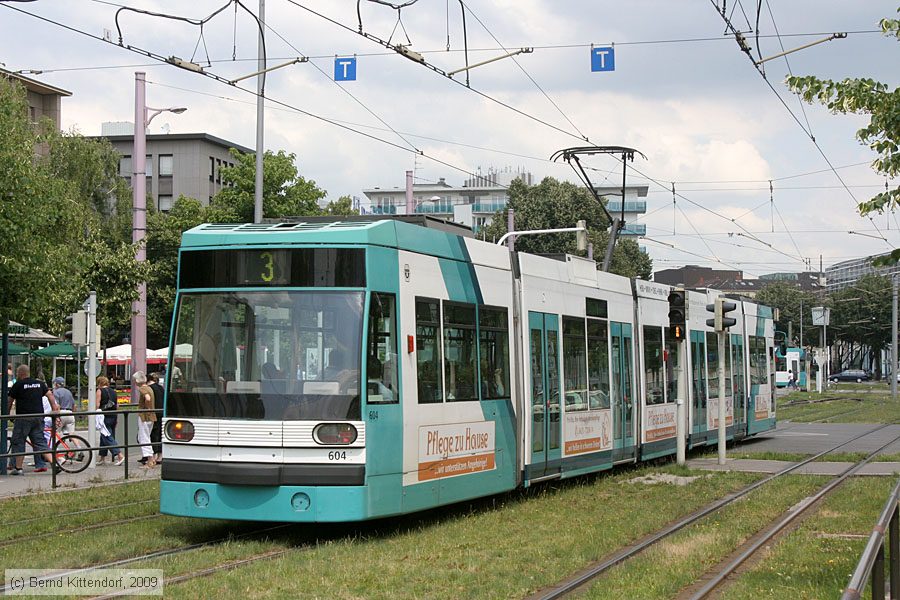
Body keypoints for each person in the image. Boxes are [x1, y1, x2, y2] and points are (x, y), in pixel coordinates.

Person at [7, 364, 59, 475]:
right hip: (38, 417)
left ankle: (19, 468)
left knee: (19, 441)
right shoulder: (39, 384)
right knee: (40, 442)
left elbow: (9, 401)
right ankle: (54, 463)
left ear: (20, 374)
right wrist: (54, 409)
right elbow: (50, 395)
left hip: (24, 418)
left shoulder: (18, 384)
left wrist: (6, 415)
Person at [132, 371, 157, 468]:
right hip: (151, 416)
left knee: (143, 437)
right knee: (146, 437)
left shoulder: (142, 389)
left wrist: (147, 408)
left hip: (144, 416)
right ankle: (151, 459)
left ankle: (150, 461)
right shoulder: (149, 388)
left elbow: (147, 398)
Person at [95, 376, 118, 465]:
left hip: (104, 416)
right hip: (113, 415)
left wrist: (95, 413)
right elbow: (117, 406)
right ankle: (102, 457)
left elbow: (97, 404)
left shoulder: (100, 391)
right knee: (103, 436)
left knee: (107, 436)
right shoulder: (114, 392)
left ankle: (118, 454)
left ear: (99, 383)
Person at [148, 372, 164, 464]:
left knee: (153, 434)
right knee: (159, 434)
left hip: (154, 413)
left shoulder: (150, 388)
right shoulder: (161, 388)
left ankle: (152, 456)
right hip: (161, 412)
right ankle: (160, 456)